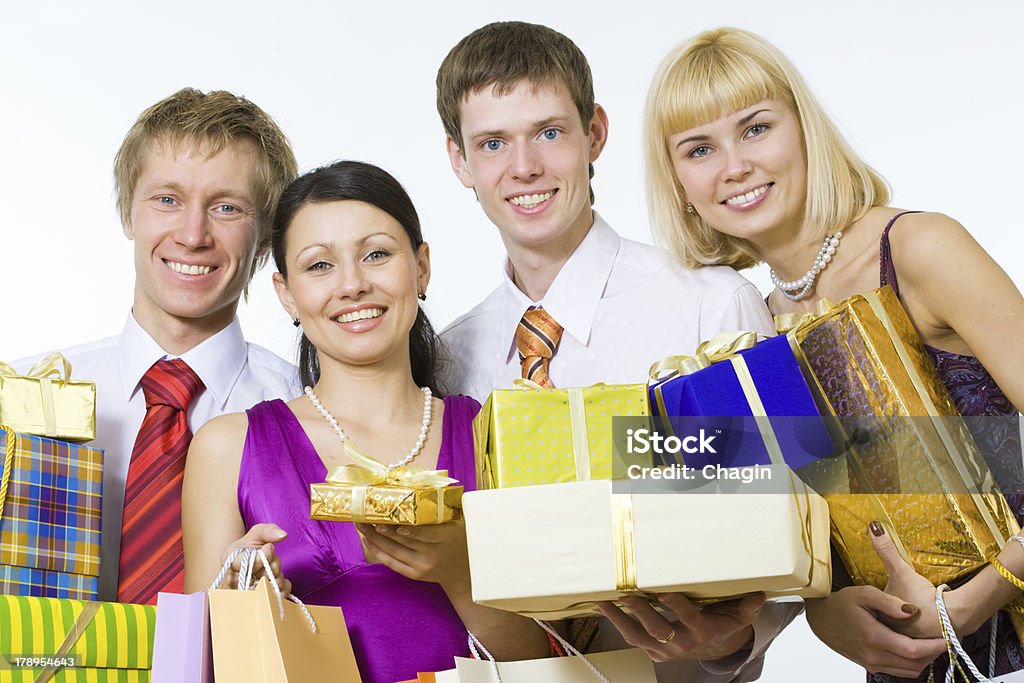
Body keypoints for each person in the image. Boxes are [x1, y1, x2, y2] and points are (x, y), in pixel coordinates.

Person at [645, 26, 1024, 680]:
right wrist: (824, 609)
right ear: (679, 183)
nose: (734, 165)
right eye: (699, 148)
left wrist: (983, 590)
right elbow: (811, 540)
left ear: (803, 128)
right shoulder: (751, 329)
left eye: (756, 127)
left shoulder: (919, 249)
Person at [436, 21, 798, 682]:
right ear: (460, 160)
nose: (525, 168)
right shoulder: (446, 358)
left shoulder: (712, 307)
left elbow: (800, 520)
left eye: (549, 132)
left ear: (593, 133)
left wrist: (726, 641)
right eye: (493, 142)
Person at [182, 160, 549, 683]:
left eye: (376, 254)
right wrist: (239, 613)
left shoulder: (494, 435)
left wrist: (461, 575)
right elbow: (200, 670)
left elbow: (549, 667)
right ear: (286, 293)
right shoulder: (227, 447)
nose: (352, 285)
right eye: (319, 266)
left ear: (421, 267)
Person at [14, 88, 300, 604]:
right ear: (128, 213)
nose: (193, 235)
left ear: (264, 241)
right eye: (167, 199)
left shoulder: (304, 413)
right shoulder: (21, 399)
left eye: (227, 207)